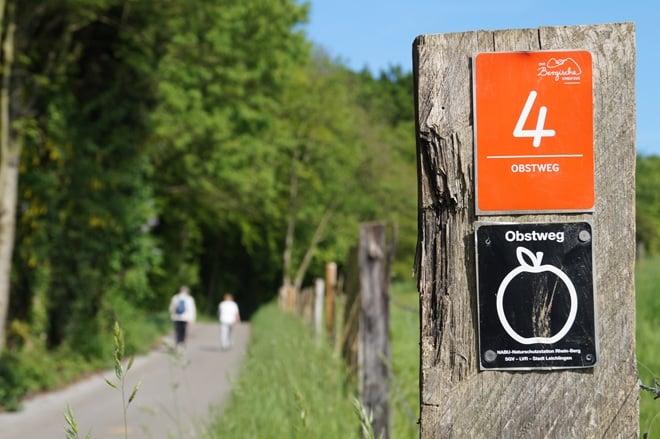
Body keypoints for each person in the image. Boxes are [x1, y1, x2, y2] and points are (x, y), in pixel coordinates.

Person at [169, 285, 197, 350]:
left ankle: (177, 343)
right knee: (183, 331)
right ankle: (182, 342)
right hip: (185, 318)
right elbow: (192, 310)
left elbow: (171, 308)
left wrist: (171, 316)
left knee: (177, 331)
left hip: (176, 317)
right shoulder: (189, 299)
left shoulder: (175, 297)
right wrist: (192, 319)